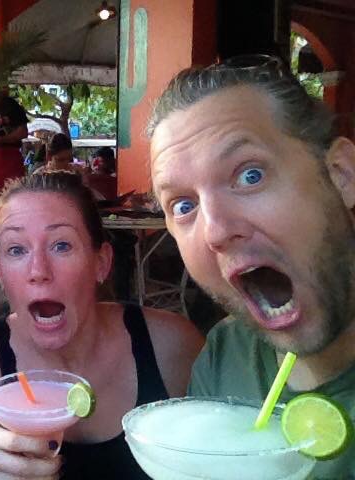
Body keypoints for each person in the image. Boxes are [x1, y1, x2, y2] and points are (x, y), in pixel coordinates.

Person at [147, 55, 355, 478]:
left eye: (250, 176)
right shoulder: (225, 356)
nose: (215, 231)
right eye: (183, 206)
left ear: (341, 174)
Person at [0, 172, 203, 480]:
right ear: (0, 272)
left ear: (101, 263)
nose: (38, 270)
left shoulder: (172, 346)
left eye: (61, 245)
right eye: (17, 249)